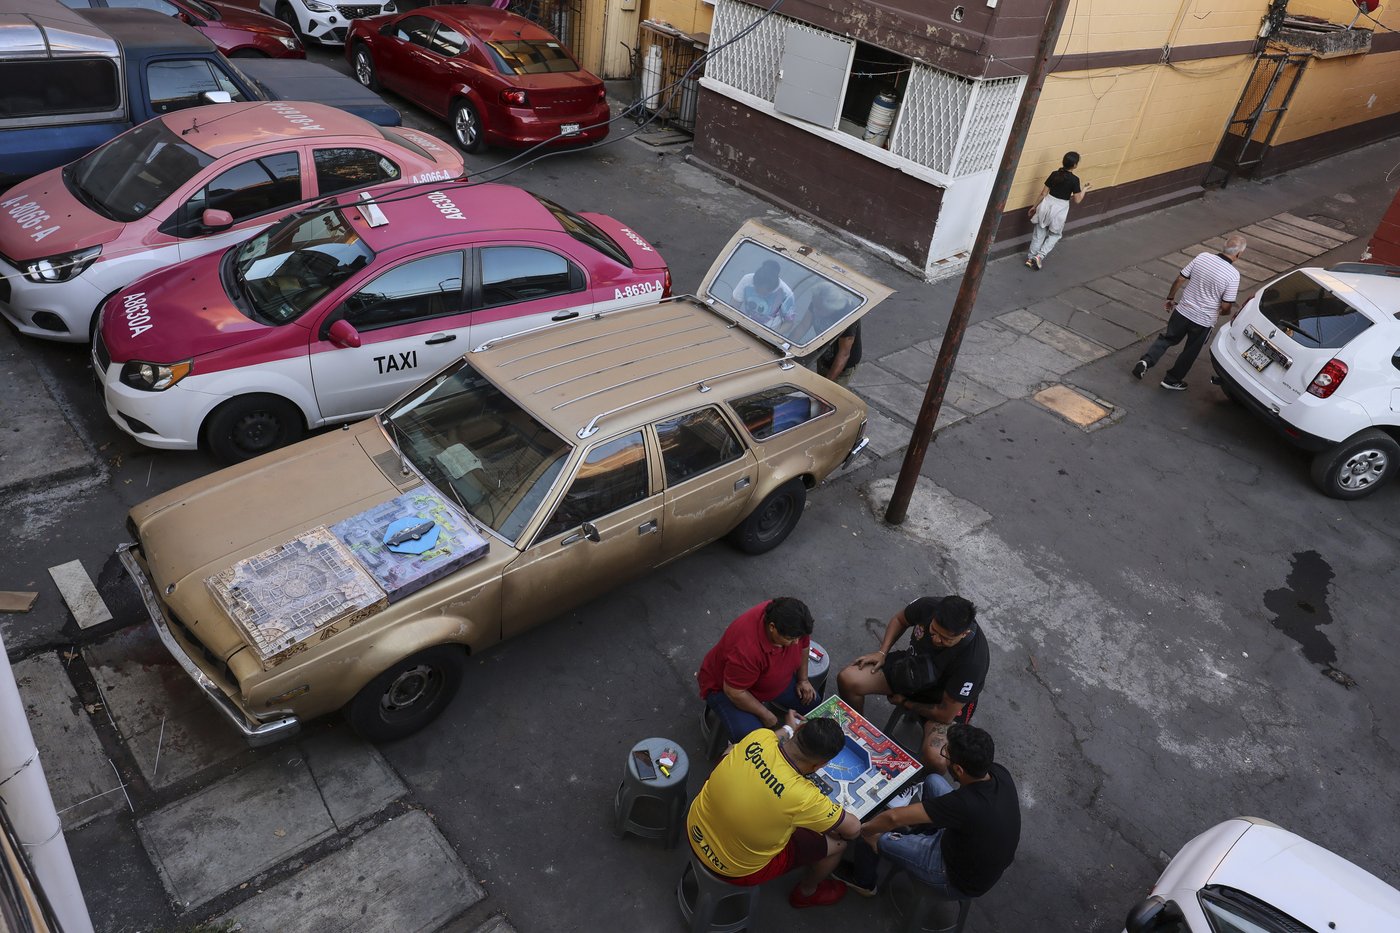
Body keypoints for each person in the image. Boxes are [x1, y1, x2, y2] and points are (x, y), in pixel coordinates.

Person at [687, 713, 863, 908]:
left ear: (797, 730)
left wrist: (787, 729)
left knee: (732, 750)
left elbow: (775, 737)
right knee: (839, 844)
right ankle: (806, 892)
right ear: (820, 765)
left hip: (695, 825)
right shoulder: (804, 797)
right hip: (734, 868)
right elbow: (853, 829)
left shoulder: (759, 737)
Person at [839, 724, 1020, 901]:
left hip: (953, 876)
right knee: (933, 780)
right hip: (971, 846)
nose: (944, 755)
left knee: (875, 833)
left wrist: (863, 829)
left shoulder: (964, 804)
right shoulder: (998, 773)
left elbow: (893, 818)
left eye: (946, 754)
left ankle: (864, 882)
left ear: (959, 769)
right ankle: (923, 833)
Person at [835, 595, 987, 770]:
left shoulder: (973, 662)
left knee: (937, 758)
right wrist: (882, 652)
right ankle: (857, 734)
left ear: (964, 633)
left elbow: (946, 714)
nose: (937, 640)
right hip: (912, 669)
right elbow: (900, 619)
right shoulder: (929, 606)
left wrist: (905, 702)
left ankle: (919, 785)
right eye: (934, 631)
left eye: (946, 639)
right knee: (849, 679)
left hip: (944, 700)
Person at [697, 598, 822, 743]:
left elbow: (804, 644)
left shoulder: (792, 621)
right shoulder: (746, 651)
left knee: (814, 704)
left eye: (798, 638)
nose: (796, 643)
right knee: (754, 741)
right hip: (726, 690)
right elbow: (735, 692)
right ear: (772, 627)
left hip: (771, 681)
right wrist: (766, 714)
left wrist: (803, 679)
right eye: (790, 639)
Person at [1132, 234, 1247, 391]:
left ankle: (1146, 361)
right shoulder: (1233, 275)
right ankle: (1172, 380)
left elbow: (1180, 278)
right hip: (1203, 321)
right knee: (1190, 351)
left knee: (1167, 338)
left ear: (1224, 247)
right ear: (1239, 254)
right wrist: (1224, 312)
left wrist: (1171, 297)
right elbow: (1227, 305)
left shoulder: (1203, 257)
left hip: (1183, 311)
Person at [1025, 151, 1089, 270]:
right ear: (1075, 165)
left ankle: (1030, 258)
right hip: (1060, 209)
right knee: (1055, 234)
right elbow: (1078, 200)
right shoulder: (1075, 180)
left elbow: (1043, 193)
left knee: (1039, 232)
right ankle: (1039, 256)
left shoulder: (1054, 174)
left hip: (1046, 204)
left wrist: (1034, 207)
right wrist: (1085, 189)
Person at [800, 283, 861, 385]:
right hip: (824, 353)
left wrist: (827, 384)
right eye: (814, 305)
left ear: (832, 307)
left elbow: (843, 354)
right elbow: (803, 326)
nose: (815, 310)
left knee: (828, 394)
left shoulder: (846, 316)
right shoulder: (818, 301)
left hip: (843, 366)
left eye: (819, 309)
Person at [731, 259, 796, 331]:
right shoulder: (747, 280)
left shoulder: (786, 294)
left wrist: (774, 336)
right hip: (743, 325)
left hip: (767, 333)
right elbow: (734, 304)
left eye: (764, 293)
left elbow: (789, 323)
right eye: (757, 290)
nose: (760, 295)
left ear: (773, 288)